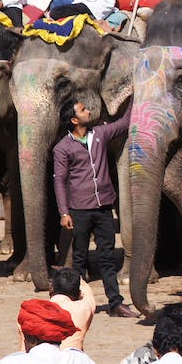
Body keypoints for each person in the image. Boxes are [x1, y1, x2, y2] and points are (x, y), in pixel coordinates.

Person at [53, 99, 139, 318]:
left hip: (103, 208)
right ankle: (77, 303)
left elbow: (125, 122)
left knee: (107, 256)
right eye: (83, 110)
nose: (88, 111)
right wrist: (64, 212)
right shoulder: (62, 148)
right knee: (80, 258)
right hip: (79, 209)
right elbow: (60, 181)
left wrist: (135, 94)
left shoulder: (100, 134)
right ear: (74, 120)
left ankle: (115, 304)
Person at [48, 266, 96, 351]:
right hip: (74, 358)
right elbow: (88, 293)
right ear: (79, 293)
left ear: (51, 289)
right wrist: (77, 278)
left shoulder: (38, 311)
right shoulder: (85, 309)